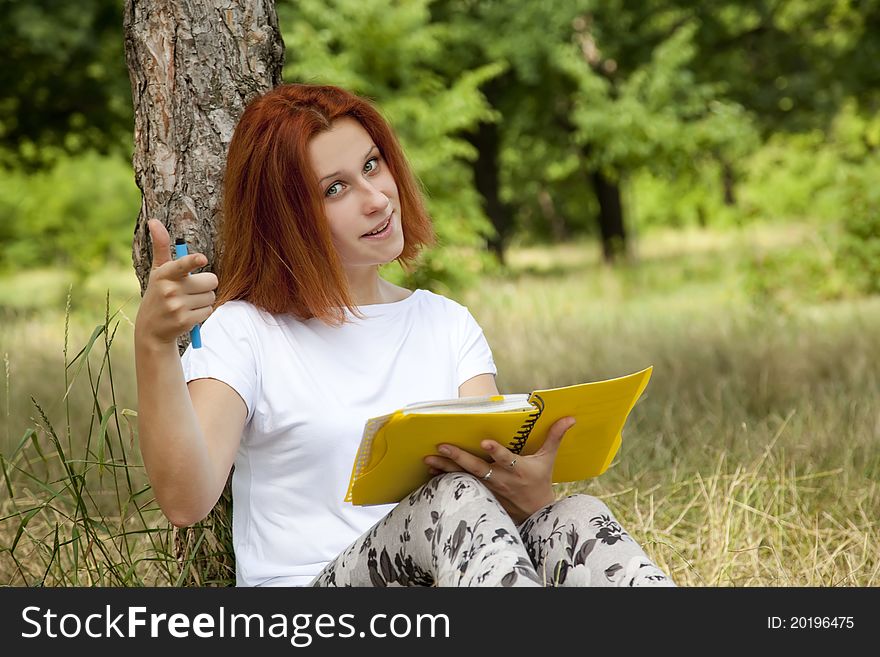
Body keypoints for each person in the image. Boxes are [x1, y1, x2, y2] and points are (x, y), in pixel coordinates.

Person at [134, 83, 674, 588]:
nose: (376, 198)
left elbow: (492, 512)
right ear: (286, 217)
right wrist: (155, 345)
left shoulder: (447, 323)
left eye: (373, 165)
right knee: (451, 495)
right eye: (335, 188)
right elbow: (186, 501)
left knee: (578, 517)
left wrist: (530, 494)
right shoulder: (246, 331)